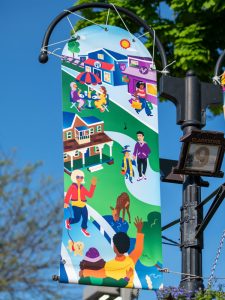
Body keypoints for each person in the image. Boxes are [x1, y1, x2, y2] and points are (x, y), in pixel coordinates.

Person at [80, 217, 144, 288]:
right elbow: (139, 249)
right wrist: (139, 230)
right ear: (128, 246)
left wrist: (84, 272)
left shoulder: (109, 265)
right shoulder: (131, 260)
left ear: (115, 247)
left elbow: (98, 273)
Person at [64, 169, 97, 237]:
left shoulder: (82, 187)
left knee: (85, 217)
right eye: (78, 177)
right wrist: (66, 202)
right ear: (74, 177)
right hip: (76, 205)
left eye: (81, 177)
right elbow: (68, 194)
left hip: (83, 205)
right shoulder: (72, 186)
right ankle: (68, 220)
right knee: (77, 219)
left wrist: (93, 185)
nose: (80, 179)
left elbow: (90, 195)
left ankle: (84, 229)